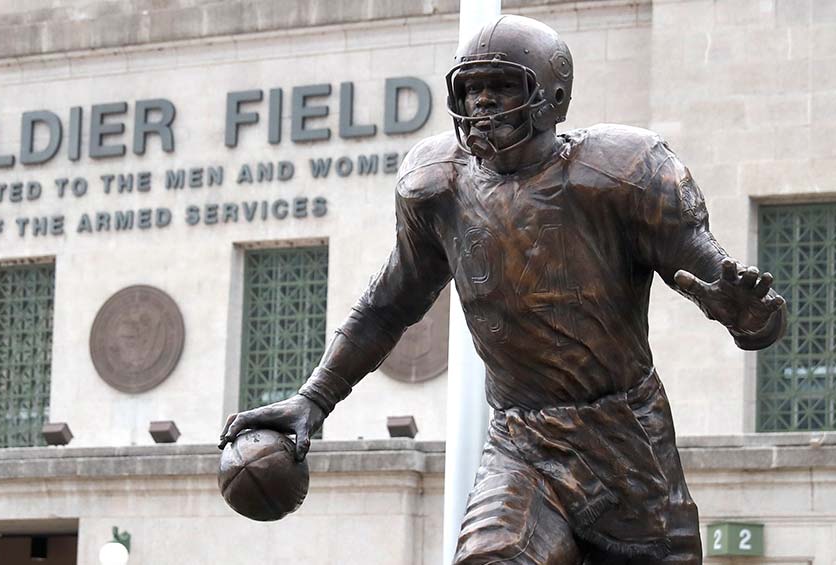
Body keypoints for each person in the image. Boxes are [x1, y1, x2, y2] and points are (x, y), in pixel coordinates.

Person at [219, 14, 786, 564]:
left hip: (625, 437)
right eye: (471, 89)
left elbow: (718, 278)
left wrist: (749, 317)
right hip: (521, 438)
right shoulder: (438, 184)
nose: (482, 103)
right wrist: (313, 400)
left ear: (553, 98)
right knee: (492, 557)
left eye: (501, 86)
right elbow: (388, 305)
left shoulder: (622, 173)